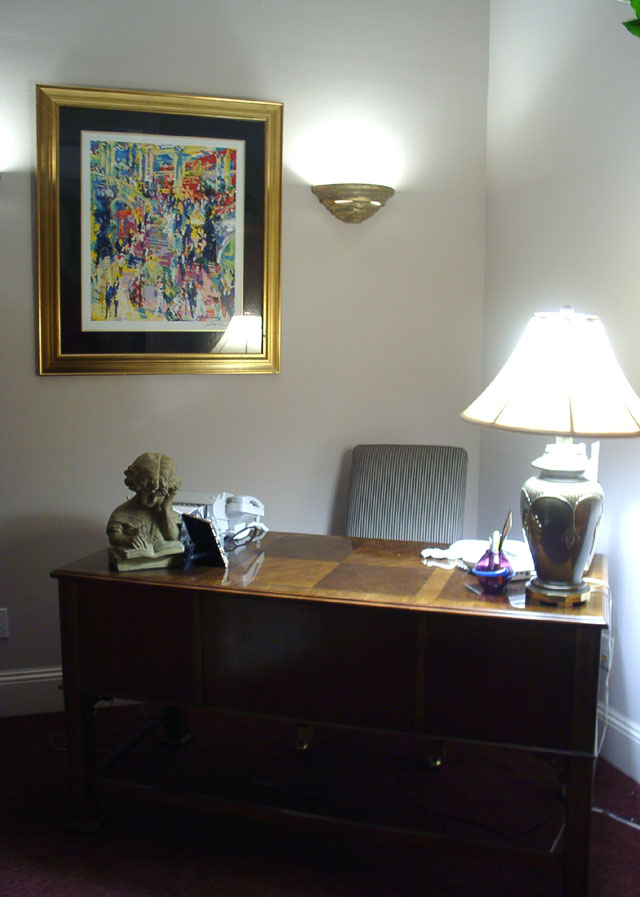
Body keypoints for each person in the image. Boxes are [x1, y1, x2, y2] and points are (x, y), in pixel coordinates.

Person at [106, 452, 184, 570]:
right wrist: (128, 540)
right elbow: (113, 536)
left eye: (160, 494)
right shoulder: (123, 512)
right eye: (148, 492)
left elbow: (173, 537)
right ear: (136, 485)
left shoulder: (163, 512)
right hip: (132, 563)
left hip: (166, 563)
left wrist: (166, 509)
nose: (153, 499)